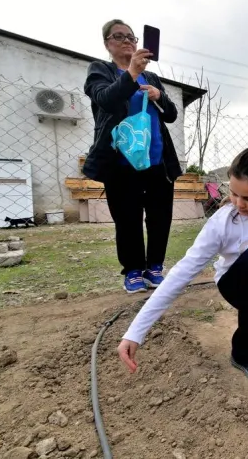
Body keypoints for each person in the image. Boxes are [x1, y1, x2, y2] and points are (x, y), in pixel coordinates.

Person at [116, 147, 248, 383]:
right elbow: (182, 274)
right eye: (234, 193)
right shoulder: (224, 221)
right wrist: (135, 332)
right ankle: (247, 353)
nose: (238, 203)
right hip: (238, 281)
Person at [84, 19, 182, 294]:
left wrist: (159, 95)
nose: (127, 41)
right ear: (107, 43)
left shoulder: (150, 77)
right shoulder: (100, 70)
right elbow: (105, 99)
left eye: (131, 37)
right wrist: (130, 73)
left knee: (160, 216)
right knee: (127, 219)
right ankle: (134, 271)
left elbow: (172, 114)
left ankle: (155, 268)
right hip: (121, 160)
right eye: (119, 36)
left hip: (157, 158)